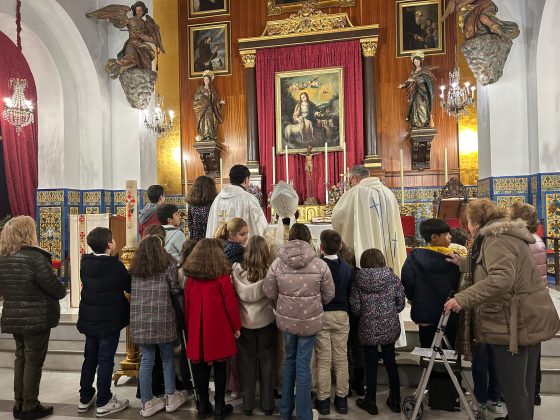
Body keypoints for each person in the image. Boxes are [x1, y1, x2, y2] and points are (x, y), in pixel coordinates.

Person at [444, 199, 560, 420]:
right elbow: (488, 265)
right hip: (525, 317)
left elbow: (502, 278)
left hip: (513, 322)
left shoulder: (495, 239)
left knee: (515, 389)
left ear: (476, 221)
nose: (468, 226)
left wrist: (463, 298)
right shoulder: (504, 235)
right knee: (522, 385)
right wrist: (462, 263)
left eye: (468, 221)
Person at [263, 223, 335, 420]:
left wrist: (283, 302)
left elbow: (268, 291)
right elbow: (329, 295)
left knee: (289, 362)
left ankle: (285, 412)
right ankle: (304, 414)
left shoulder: (277, 263)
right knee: (303, 365)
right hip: (310, 322)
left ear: (290, 238)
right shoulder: (320, 264)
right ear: (308, 238)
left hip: (287, 321)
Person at [0, 216, 67, 420]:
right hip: (36, 317)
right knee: (33, 361)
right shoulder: (35, 257)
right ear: (27, 233)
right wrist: (60, 286)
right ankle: (30, 406)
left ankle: (19, 403)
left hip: (13, 316)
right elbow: (55, 289)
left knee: (21, 358)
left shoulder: (3, 257)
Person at [129, 235, 188, 417]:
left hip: (141, 319)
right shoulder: (168, 266)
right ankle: (170, 396)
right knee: (167, 357)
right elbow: (175, 290)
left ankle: (147, 402)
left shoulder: (136, 269)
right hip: (163, 317)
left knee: (146, 359)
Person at [183, 239, 241, 420]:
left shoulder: (190, 279)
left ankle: (202, 404)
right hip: (218, 327)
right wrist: (236, 326)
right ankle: (220, 405)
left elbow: (187, 305)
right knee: (220, 366)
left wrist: (189, 327)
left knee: (200, 367)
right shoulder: (222, 278)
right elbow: (230, 305)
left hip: (196, 327)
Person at [76, 227, 131, 417]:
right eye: (113, 240)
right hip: (109, 321)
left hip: (90, 319)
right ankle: (104, 401)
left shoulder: (86, 263)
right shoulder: (114, 266)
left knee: (89, 358)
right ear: (109, 244)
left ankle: (84, 398)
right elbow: (129, 285)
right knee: (105, 360)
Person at [350, 249, 405, 415]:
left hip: (368, 327)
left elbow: (356, 309)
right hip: (389, 326)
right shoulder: (392, 278)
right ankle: (395, 399)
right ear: (382, 260)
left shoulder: (358, 280)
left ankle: (370, 401)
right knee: (390, 361)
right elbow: (401, 303)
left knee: (371, 363)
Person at [232, 236, 276, 416]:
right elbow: (274, 297)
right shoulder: (270, 272)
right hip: (265, 321)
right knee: (267, 362)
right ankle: (268, 404)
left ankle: (248, 404)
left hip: (244, 323)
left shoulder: (236, 271)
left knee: (246, 363)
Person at [509, 202, 548, 406]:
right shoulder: (538, 239)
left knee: (523, 359)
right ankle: (534, 393)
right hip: (538, 303)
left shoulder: (523, 242)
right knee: (534, 356)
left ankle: (523, 400)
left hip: (525, 305)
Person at [401, 218, 460, 347]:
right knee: (449, 349)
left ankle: (429, 367)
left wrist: (412, 298)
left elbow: (407, 280)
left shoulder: (414, 257)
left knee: (427, 348)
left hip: (425, 311)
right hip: (448, 312)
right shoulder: (454, 259)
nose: (450, 237)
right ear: (434, 237)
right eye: (446, 234)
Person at [313, 230, 353, 416]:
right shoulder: (347, 267)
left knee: (323, 360)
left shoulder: (318, 266)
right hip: (342, 315)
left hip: (323, 313)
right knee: (341, 358)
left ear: (321, 247)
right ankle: (342, 399)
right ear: (340, 246)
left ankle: (323, 401)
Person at [206, 164, 268, 238]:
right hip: (241, 247)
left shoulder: (218, 198)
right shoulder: (248, 199)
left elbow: (212, 225)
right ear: (246, 179)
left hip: (219, 246)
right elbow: (260, 225)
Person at [398, 50, 435, 129]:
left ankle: (424, 122)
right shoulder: (413, 72)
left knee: (422, 105)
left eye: (417, 61)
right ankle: (416, 122)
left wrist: (415, 80)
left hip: (423, 92)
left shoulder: (424, 71)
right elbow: (409, 80)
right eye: (415, 61)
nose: (416, 62)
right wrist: (403, 84)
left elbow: (425, 80)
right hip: (415, 92)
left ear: (420, 61)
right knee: (415, 105)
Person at [192, 70, 225, 141]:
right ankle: (203, 135)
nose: (205, 80)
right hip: (202, 108)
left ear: (209, 81)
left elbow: (215, 99)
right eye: (204, 79)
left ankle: (210, 135)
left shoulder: (211, 89)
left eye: (207, 79)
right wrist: (203, 95)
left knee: (210, 119)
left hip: (209, 108)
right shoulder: (200, 88)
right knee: (203, 120)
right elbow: (196, 98)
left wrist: (219, 102)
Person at [186, 175, 218, 240]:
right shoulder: (214, 204)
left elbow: (190, 224)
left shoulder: (192, 204)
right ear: (211, 189)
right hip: (211, 239)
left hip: (196, 239)